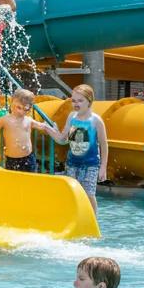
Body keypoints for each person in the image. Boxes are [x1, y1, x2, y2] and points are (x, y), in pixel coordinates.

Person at [49, 83, 109, 215]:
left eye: (80, 100)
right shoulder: (72, 117)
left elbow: (104, 145)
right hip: (72, 163)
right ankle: (75, 217)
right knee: (73, 193)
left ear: (89, 101)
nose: (76, 104)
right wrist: (49, 130)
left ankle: (94, 222)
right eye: (74, 100)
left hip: (91, 164)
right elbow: (62, 139)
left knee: (89, 194)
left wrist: (103, 167)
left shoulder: (96, 121)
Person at [0, 89, 60, 172]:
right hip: (12, 160)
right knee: (13, 182)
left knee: (29, 181)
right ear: (12, 103)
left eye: (25, 109)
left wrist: (55, 130)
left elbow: (43, 126)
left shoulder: (28, 120)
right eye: (18, 107)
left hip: (28, 159)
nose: (21, 111)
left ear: (29, 109)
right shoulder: (4, 120)